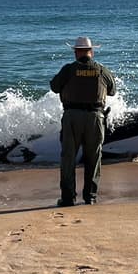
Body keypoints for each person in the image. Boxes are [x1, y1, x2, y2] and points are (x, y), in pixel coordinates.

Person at [49, 36, 116, 206]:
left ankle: (68, 198)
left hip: (72, 117)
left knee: (68, 158)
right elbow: (112, 91)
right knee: (93, 159)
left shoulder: (68, 70)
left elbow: (54, 87)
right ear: (91, 52)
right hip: (95, 117)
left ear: (75, 52)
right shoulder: (102, 70)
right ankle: (90, 197)